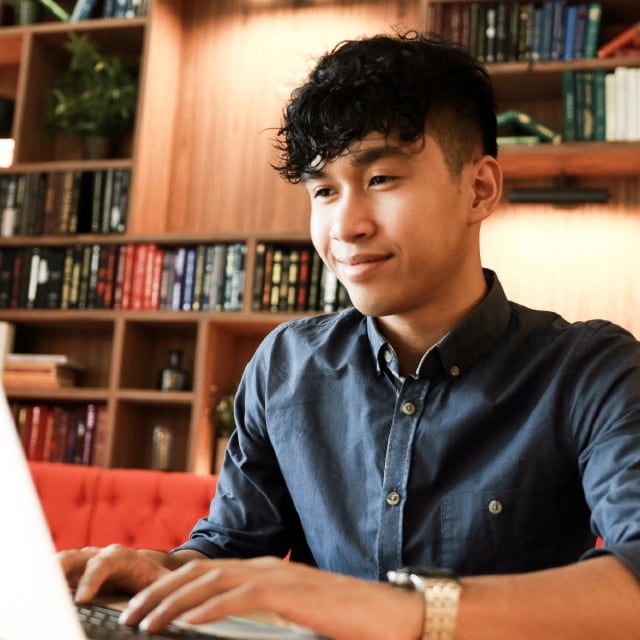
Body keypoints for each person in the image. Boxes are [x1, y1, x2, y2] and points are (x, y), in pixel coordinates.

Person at [59, 31, 640, 639]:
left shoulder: (591, 370)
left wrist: (404, 612)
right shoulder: (285, 364)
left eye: (382, 178)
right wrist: (166, 569)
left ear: (479, 188)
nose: (346, 225)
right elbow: (232, 543)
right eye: (324, 191)